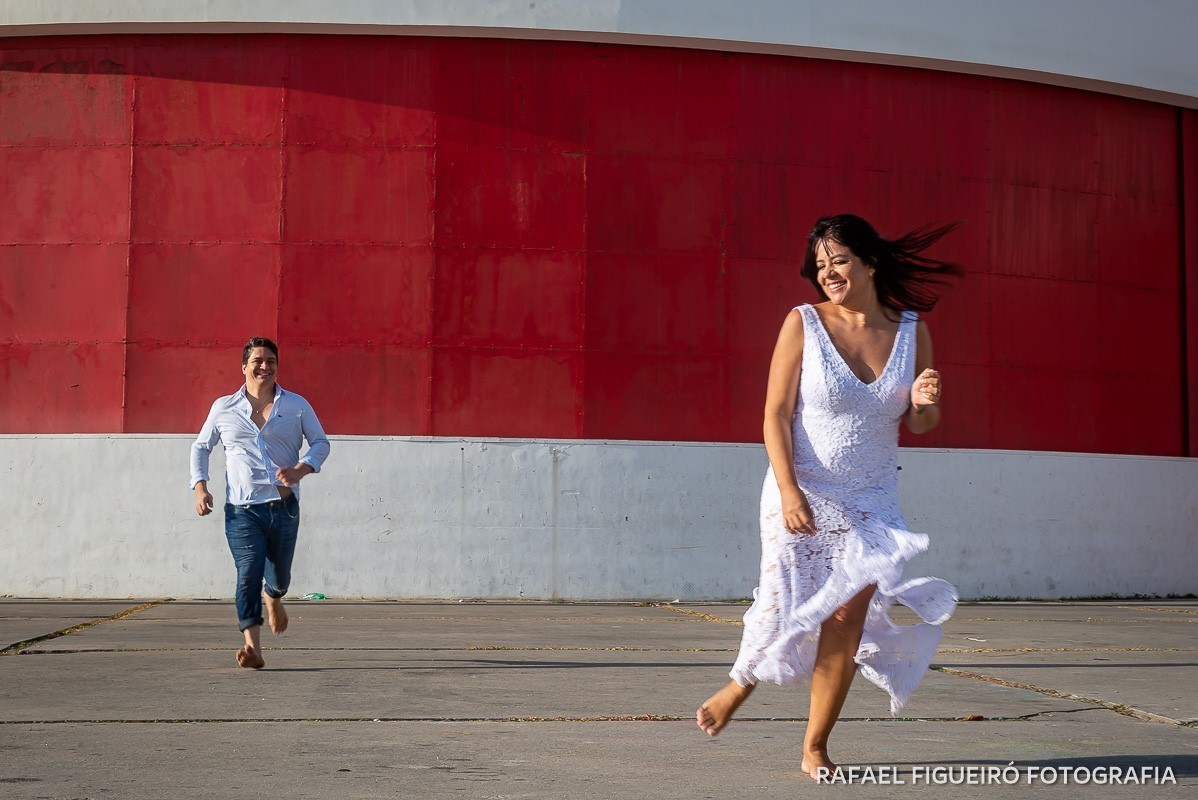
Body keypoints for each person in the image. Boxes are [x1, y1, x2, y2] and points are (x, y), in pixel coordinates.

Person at [696, 214, 961, 778]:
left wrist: (925, 401)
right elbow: (774, 414)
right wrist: (789, 490)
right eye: (820, 265)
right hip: (803, 489)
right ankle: (739, 684)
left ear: (869, 262)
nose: (829, 273)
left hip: (872, 499)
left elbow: (921, 423)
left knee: (845, 618)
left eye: (839, 260)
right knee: (784, 603)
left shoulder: (911, 330)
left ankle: (814, 746)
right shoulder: (804, 322)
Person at [190, 337, 331, 669]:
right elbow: (201, 447)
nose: (264, 366)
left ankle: (274, 596)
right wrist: (200, 488)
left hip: (284, 509)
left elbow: (321, 443)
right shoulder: (223, 407)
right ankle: (252, 646)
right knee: (247, 574)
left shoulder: (296, 405)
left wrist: (301, 469)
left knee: (279, 578)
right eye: (257, 361)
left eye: (271, 361)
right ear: (244, 367)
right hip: (242, 511)